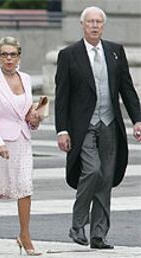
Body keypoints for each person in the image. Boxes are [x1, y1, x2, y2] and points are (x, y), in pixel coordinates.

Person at [55, 6, 141, 249]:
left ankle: (98, 235)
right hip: (84, 126)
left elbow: (127, 88)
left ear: (103, 26)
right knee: (92, 171)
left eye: (98, 22)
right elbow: (61, 97)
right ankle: (77, 223)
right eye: (90, 21)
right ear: (82, 25)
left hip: (110, 124)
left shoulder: (115, 51)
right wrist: (62, 130)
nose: (94, 25)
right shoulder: (69, 54)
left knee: (105, 179)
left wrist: (137, 119)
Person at [0, 36, 41, 255]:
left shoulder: (27, 79)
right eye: (4, 54)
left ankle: (25, 235)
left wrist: (34, 118)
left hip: (22, 139)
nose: (8, 59)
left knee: (25, 187)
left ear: (19, 56)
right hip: (0, 143)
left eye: (12, 54)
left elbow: (25, 111)